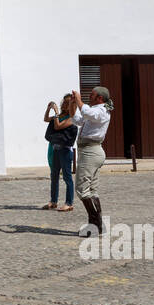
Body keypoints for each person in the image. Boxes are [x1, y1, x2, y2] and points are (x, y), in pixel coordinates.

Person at [70, 86, 113, 234]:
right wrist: (73, 104)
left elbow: (87, 112)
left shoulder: (101, 111)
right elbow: (77, 120)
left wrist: (79, 100)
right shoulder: (94, 111)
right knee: (92, 190)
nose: (90, 96)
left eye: (92, 95)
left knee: (82, 189)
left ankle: (95, 226)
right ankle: (97, 226)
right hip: (89, 151)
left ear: (100, 98)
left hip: (91, 151)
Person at [42, 94, 77, 211]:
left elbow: (57, 127)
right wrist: (49, 109)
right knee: (54, 176)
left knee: (67, 177)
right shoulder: (59, 116)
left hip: (65, 151)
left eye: (67, 103)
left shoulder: (72, 118)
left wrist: (56, 112)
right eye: (64, 102)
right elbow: (46, 119)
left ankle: (69, 203)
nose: (64, 105)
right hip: (56, 149)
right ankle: (53, 201)